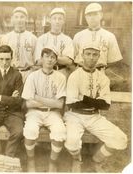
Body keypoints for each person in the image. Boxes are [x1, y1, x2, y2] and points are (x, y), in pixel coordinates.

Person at [64, 43, 127, 172]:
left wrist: (84, 98)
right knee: (71, 142)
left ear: (99, 57)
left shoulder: (103, 78)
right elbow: (71, 103)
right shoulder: (74, 76)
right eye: (88, 54)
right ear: (82, 55)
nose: (91, 57)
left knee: (121, 139)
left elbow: (105, 105)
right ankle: (77, 159)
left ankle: (96, 160)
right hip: (74, 116)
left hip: (94, 116)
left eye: (95, 54)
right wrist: (96, 101)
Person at [22, 47, 66, 172]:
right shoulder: (32, 76)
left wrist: (37, 97)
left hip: (53, 113)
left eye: (53, 57)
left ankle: (53, 162)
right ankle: (31, 161)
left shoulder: (61, 77)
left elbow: (60, 105)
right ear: (41, 59)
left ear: (56, 61)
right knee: (30, 131)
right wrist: (50, 103)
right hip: (34, 113)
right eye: (46, 56)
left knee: (60, 132)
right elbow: (29, 104)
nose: (49, 59)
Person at [73, 3, 123, 70]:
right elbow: (72, 57)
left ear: (101, 15)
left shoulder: (109, 36)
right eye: (89, 15)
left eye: (95, 14)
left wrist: (102, 67)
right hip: (81, 71)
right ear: (85, 17)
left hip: (100, 72)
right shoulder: (78, 36)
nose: (92, 18)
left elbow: (114, 59)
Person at [0, 7, 37, 82]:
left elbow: (36, 60)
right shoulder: (6, 38)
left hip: (28, 73)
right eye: (16, 17)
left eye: (22, 17)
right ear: (13, 19)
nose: (19, 20)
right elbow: (1, 59)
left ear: (26, 19)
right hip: (10, 73)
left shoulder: (33, 38)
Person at [35, 8, 74, 77]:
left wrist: (48, 57)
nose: (57, 21)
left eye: (60, 19)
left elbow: (68, 61)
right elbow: (39, 61)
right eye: (54, 18)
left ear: (63, 21)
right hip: (45, 73)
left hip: (62, 72)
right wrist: (60, 58)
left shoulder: (67, 40)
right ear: (50, 20)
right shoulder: (42, 39)